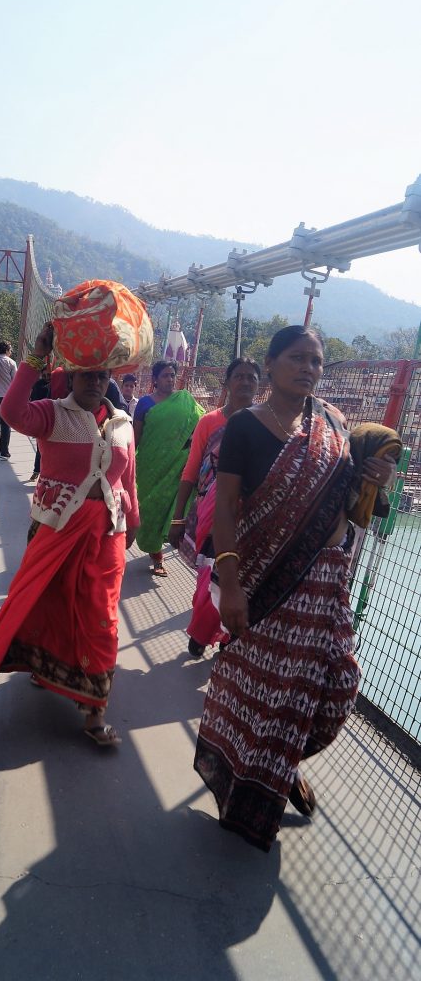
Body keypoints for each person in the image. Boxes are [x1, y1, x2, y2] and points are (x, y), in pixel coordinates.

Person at [194, 325, 397, 851]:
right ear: (271, 363)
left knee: (338, 689)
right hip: (264, 581)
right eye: (297, 358)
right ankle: (263, 779)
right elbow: (226, 514)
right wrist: (231, 585)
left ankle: (283, 761)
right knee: (261, 692)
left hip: (327, 579)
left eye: (317, 361)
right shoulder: (244, 427)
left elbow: (349, 503)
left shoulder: (332, 422)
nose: (309, 368)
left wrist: (375, 477)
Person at [0, 323, 139, 747]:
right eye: (87, 375)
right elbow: (10, 414)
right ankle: (47, 669)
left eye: (103, 375)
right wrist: (35, 357)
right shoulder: (50, 413)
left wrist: (133, 519)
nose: (96, 382)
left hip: (106, 536)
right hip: (55, 531)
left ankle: (94, 713)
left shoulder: (124, 424)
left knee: (103, 617)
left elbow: (128, 478)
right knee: (50, 603)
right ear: (71, 377)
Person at [168, 358, 261, 657]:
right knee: (209, 579)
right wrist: (178, 518)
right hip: (212, 513)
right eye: (239, 377)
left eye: (251, 378)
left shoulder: (266, 425)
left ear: (260, 385)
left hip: (250, 517)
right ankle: (201, 632)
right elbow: (191, 469)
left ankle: (226, 638)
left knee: (240, 579)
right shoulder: (210, 422)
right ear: (227, 382)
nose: (245, 382)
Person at [133, 361, 204, 577]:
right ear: (155, 379)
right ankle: (151, 548)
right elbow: (135, 439)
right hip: (149, 467)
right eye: (165, 375)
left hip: (177, 468)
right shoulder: (144, 404)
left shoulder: (185, 401)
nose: (170, 379)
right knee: (149, 509)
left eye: (172, 375)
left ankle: (158, 556)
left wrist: (189, 444)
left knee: (170, 509)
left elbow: (201, 425)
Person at [28, 365, 51, 481]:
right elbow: (33, 402)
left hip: (54, 420)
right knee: (41, 447)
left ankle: (42, 474)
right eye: (45, 375)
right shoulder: (39, 385)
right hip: (41, 421)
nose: (47, 377)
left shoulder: (57, 384)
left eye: (49, 375)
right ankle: (37, 471)